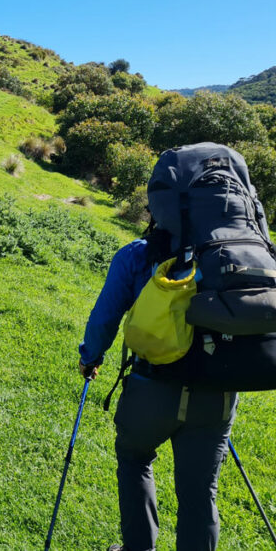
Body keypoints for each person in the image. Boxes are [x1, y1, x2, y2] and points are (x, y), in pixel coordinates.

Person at [78, 228, 237, 551]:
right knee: (201, 490)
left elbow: (106, 316)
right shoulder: (233, 257)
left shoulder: (138, 254)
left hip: (151, 386)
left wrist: (90, 357)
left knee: (135, 459)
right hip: (216, 395)